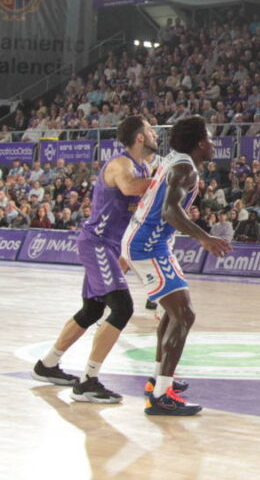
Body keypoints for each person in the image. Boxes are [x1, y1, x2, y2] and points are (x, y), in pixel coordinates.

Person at [32, 117, 157, 404]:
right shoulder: (121, 165)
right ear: (139, 137)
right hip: (98, 243)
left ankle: (47, 364)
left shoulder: (144, 167)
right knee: (122, 308)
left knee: (91, 310)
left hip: (111, 247)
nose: (154, 134)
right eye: (150, 130)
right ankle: (88, 381)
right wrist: (165, 180)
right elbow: (130, 188)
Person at [123, 116, 232, 416]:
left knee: (175, 312)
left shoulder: (176, 159)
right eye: (209, 138)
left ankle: (159, 380)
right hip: (147, 245)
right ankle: (161, 396)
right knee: (184, 314)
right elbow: (170, 212)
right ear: (200, 143)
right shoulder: (185, 168)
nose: (213, 143)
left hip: (153, 242)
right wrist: (204, 237)